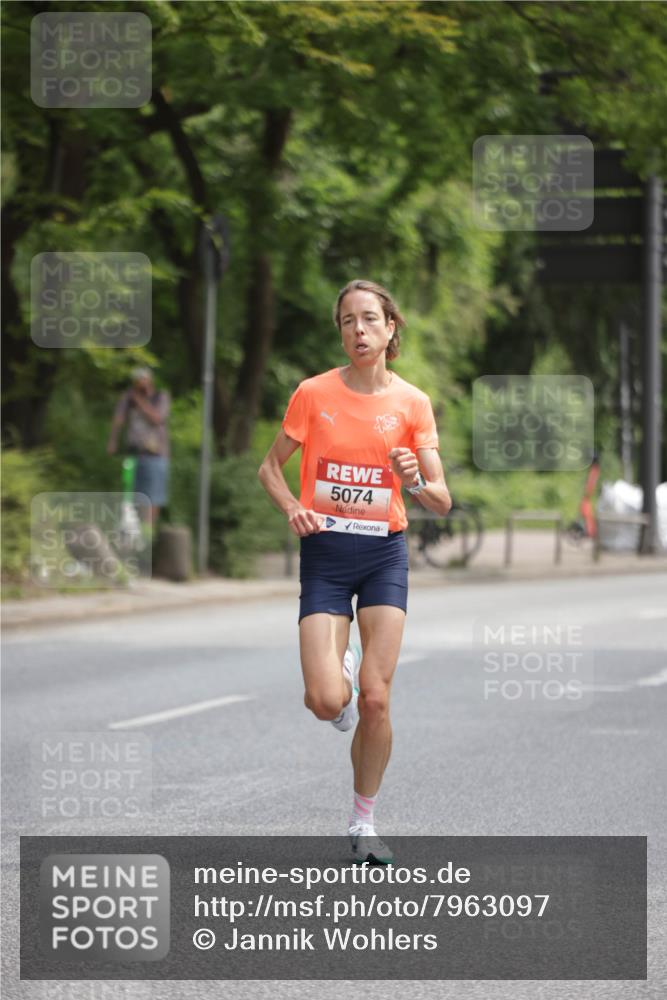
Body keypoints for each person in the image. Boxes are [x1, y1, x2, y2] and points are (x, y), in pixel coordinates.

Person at [258, 279, 451, 863]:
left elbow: (441, 499)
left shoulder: (412, 404)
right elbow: (270, 467)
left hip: (383, 554)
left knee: (375, 699)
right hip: (326, 554)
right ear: (340, 331)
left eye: (369, 319)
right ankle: (335, 673)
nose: (358, 331)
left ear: (391, 329)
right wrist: (292, 506)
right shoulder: (313, 394)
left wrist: (413, 475)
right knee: (325, 700)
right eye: (347, 321)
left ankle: (363, 823)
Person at [107, 367, 171, 527]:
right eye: (137, 381)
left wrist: (140, 401)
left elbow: (157, 419)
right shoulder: (128, 398)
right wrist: (113, 441)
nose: (140, 384)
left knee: (153, 497)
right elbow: (118, 419)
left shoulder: (160, 397)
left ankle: (148, 530)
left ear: (150, 381)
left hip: (155, 455)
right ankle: (132, 530)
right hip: (134, 454)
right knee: (131, 495)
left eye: (143, 380)